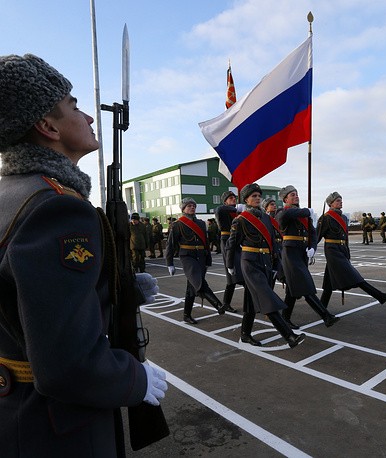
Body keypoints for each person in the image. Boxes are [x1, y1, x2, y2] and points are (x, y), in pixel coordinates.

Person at [0, 53, 167, 455]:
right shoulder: (57, 206)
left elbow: (19, 299)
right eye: (74, 106)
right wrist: (133, 379)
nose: (89, 118)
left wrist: (109, 286)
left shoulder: (12, 193)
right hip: (57, 427)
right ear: (47, 125)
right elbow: (67, 364)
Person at [227, 184, 305, 347]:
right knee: (266, 297)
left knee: (251, 300)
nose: (257, 198)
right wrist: (230, 265)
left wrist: (276, 263)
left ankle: (245, 334)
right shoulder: (240, 220)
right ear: (246, 199)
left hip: (265, 262)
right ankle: (289, 336)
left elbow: (273, 242)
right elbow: (232, 244)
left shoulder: (266, 218)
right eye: (253, 196)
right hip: (250, 263)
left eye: (258, 196)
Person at [276, 185, 339, 329]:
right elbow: (284, 217)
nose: (296, 196)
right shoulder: (283, 211)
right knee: (306, 286)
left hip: (302, 253)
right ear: (285, 199)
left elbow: (313, 233)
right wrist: (306, 211)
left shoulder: (304, 215)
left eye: (297, 194)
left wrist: (312, 248)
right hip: (290, 253)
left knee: (292, 289)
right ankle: (326, 316)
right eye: (292, 195)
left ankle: (285, 318)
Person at [317, 192, 386, 308]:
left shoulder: (343, 217)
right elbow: (317, 236)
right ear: (331, 204)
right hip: (332, 251)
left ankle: (322, 309)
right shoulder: (325, 218)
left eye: (341, 200)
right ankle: (380, 296)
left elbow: (345, 237)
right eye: (337, 200)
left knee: (329, 284)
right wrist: (309, 249)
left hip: (342, 250)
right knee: (354, 276)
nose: (340, 202)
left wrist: (347, 252)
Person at [166, 197, 229, 323]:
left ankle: (186, 315)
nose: (192, 207)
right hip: (187, 256)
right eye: (189, 206)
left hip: (200, 255)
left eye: (193, 205)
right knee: (199, 282)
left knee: (192, 286)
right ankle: (217, 304)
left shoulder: (200, 223)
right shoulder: (177, 224)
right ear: (183, 209)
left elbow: (205, 243)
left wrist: (208, 259)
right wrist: (170, 263)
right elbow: (171, 244)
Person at [214, 191, 240, 313]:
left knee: (240, 275)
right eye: (230, 198)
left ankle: (226, 303)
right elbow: (220, 209)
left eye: (234, 197)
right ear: (225, 202)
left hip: (239, 242)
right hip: (227, 241)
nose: (233, 199)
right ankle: (226, 303)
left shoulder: (237, 212)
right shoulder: (223, 211)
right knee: (231, 275)